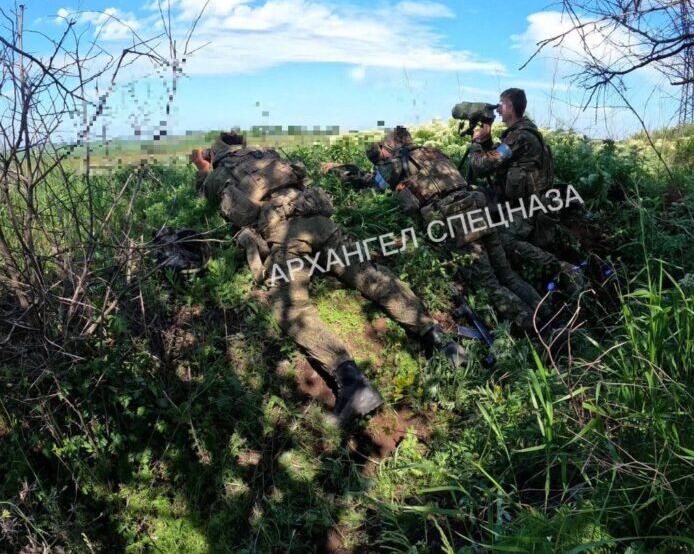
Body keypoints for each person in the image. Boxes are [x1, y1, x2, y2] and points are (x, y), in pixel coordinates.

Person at [190, 132, 465, 425]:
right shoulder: (265, 156)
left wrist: (203, 170)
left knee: (290, 308)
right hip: (321, 222)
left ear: (215, 155)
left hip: (287, 237)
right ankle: (441, 341)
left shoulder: (220, 173)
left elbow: (206, 199)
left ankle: (353, 384)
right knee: (370, 274)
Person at [328, 126, 550, 332]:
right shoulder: (433, 151)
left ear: (389, 148)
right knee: (507, 274)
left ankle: (539, 328)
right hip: (477, 207)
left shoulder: (397, 162)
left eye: (382, 151)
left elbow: (374, 189)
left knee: (488, 283)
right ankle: (550, 314)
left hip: (456, 220)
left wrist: (343, 173)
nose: (382, 156)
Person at [468, 88, 584, 291]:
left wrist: (476, 143)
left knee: (502, 239)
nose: (498, 109)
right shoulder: (520, 133)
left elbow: (481, 166)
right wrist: (486, 139)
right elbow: (496, 161)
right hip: (518, 201)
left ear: (510, 107)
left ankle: (562, 268)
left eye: (501, 104)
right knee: (473, 195)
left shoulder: (520, 136)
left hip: (527, 207)